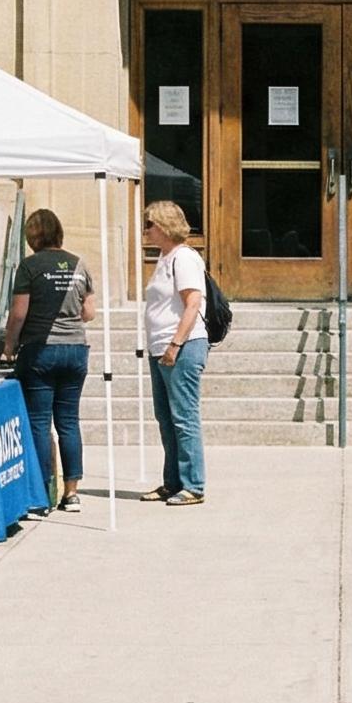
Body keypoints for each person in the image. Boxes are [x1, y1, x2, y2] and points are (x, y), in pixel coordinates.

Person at [4, 209, 91, 513]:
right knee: (69, 421)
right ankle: (72, 492)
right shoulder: (80, 264)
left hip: (41, 349)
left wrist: (9, 346)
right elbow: (88, 312)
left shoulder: (29, 266)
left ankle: (41, 494)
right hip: (76, 350)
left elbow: (18, 313)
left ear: (33, 236)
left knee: (40, 421)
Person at [140, 201, 209, 507]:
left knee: (183, 416)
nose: (146, 230)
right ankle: (173, 481)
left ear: (165, 227)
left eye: (150, 224)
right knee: (166, 417)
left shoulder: (184, 258)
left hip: (180, 346)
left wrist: (175, 344)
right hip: (160, 347)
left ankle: (193, 484)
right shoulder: (164, 257)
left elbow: (192, 302)